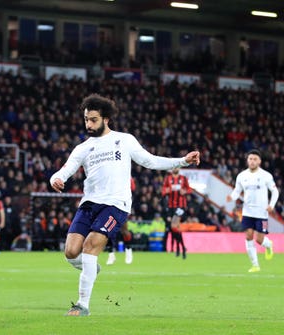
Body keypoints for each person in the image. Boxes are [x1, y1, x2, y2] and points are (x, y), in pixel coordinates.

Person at [49, 93, 200, 316]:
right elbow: (64, 170)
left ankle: (82, 305)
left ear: (106, 118)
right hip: (89, 204)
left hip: (116, 204)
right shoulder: (82, 148)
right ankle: (91, 268)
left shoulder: (125, 140)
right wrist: (55, 179)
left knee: (90, 247)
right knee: (71, 252)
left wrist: (182, 161)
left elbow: (150, 161)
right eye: (86, 119)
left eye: (93, 119)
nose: (88, 124)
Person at [226, 149, 278, 273]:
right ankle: (255, 265)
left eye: (255, 159)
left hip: (261, 213)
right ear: (247, 160)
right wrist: (231, 197)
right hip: (247, 212)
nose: (252, 161)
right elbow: (237, 191)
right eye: (250, 159)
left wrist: (271, 205)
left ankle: (268, 245)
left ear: (259, 161)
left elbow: (275, 191)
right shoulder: (242, 176)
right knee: (248, 236)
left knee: (259, 239)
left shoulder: (266, 176)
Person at [161, 167, 191, 259]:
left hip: (180, 206)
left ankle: (181, 247)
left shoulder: (183, 178)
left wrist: (185, 191)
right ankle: (180, 247)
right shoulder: (168, 179)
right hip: (171, 207)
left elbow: (189, 190)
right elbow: (163, 191)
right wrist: (167, 191)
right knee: (175, 228)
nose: (175, 168)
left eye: (177, 167)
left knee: (174, 225)